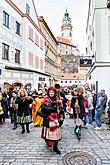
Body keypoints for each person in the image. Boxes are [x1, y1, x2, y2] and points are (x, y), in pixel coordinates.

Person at [41, 86, 62, 154]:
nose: (51, 93)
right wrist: (53, 109)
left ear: (55, 92)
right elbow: (43, 109)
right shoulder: (45, 99)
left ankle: (55, 148)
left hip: (55, 119)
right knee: (47, 134)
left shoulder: (57, 99)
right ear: (48, 92)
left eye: (53, 92)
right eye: (50, 92)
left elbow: (61, 108)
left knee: (56, 134)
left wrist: (60, 112)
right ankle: (48, 142)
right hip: (47, 119)